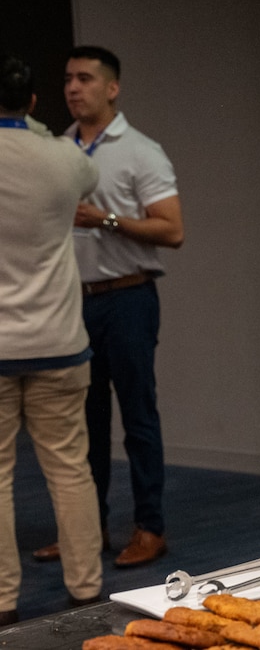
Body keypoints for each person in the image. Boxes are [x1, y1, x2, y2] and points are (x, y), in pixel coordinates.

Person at [33, 46, 184, 568]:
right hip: (73, 303)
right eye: (68, 79)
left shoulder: (141, 151)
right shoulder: (55, 149)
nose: (73, 88)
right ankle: (85, 531)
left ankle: (149, 529)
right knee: (83, 422)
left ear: (112, 88)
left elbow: (173, 229)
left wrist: (107, 221)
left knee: (138, 418)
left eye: (85, 79)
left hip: (128, 298)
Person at [0, 54, 102, 625]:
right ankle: (86, 590)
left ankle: (2, 602)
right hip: (60, 340)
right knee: (70, 471)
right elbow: (88, 175)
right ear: (34, 102)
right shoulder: (64, 157)